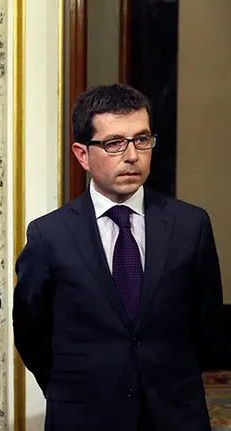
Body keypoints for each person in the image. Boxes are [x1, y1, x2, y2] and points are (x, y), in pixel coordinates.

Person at [13, 84, 223, 431]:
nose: (132, 156)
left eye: (141, 140)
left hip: (174, 413)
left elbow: (208, 324)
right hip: (84, 415)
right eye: (114, 143)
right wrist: (73, 387)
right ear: (82, 154)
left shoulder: (190, 224)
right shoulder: (49, 235)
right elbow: (32, 332)